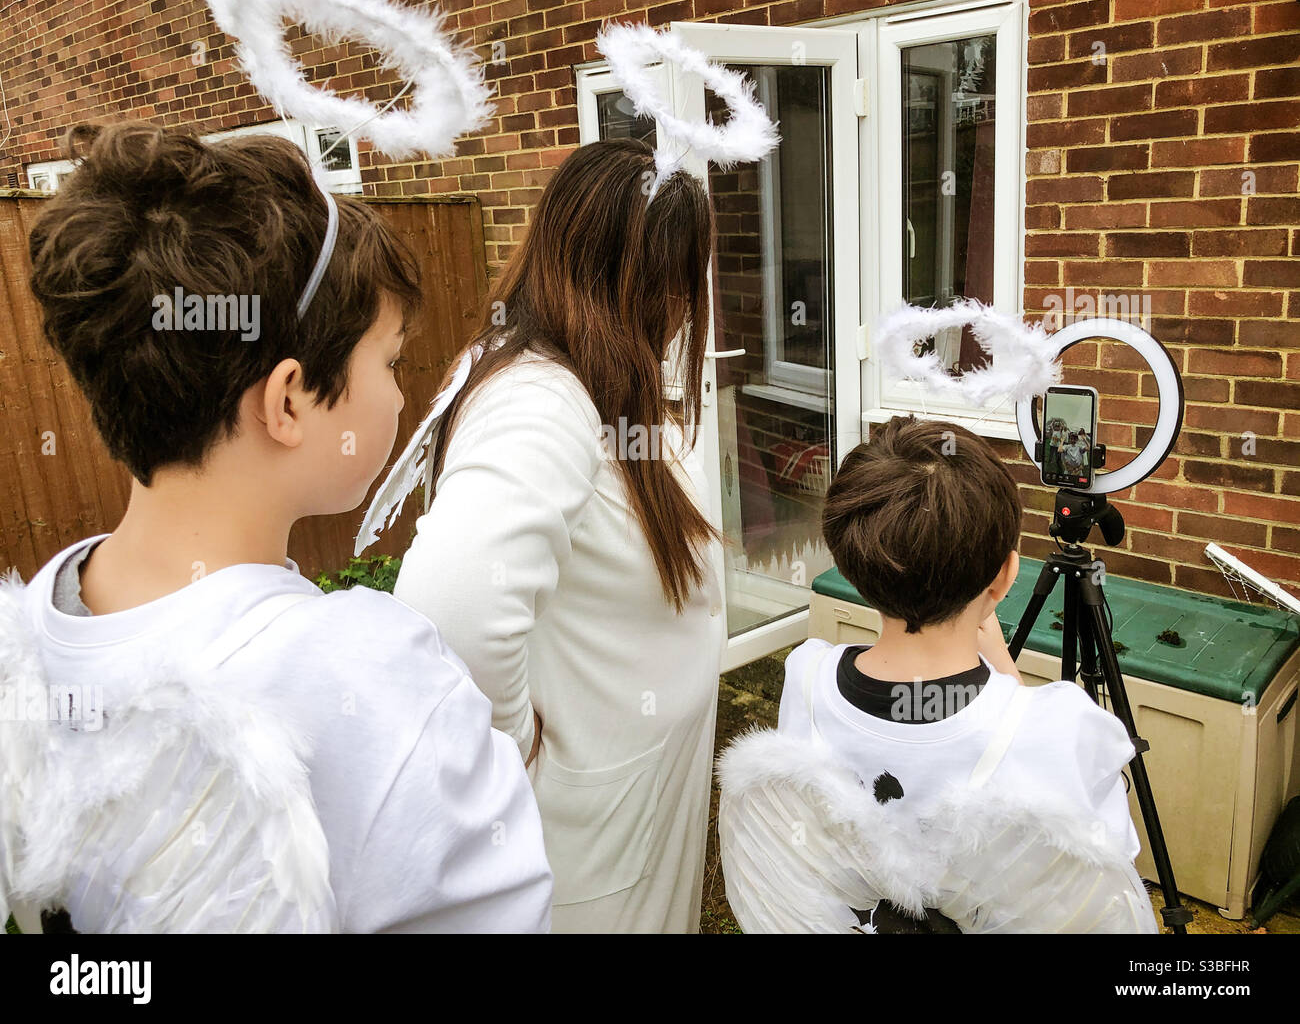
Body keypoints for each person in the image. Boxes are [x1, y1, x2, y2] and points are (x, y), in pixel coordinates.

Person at [2, 120, 552, 933]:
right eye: (392, 360)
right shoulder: (374, 682)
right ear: (289, 401)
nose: (403, 395)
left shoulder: (27, 641)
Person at [392, 138, 726, 933]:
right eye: (675, 278)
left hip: (627, 805)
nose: (683, 306)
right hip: (590, 838)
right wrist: (510, 752)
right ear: (637, 280)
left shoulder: (585, 373)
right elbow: (451, 609)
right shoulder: (541, 402)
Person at [717, 416, 1154, 933]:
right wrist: (1007, 677)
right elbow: (1100, 878)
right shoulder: (1057, 726)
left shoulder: (807, 677)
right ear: (1005, 577)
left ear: (853, 567)